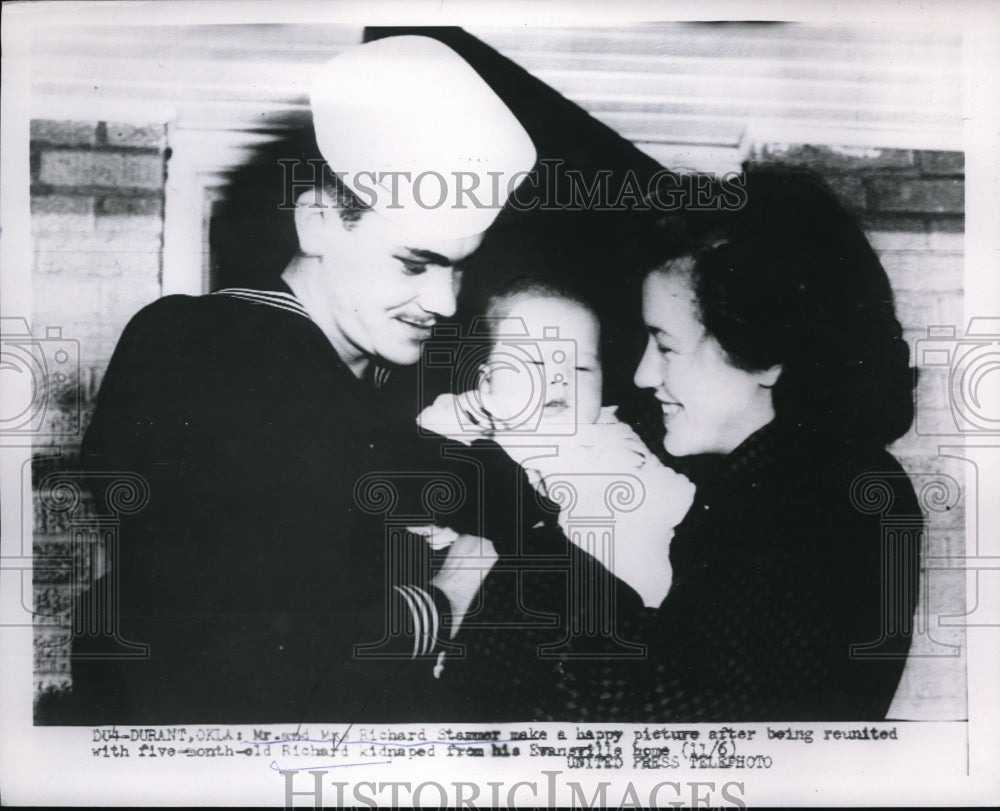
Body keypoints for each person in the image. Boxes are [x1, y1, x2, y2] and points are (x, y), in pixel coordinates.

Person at [66, 35, 536, 724]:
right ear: (316, 219)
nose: (444, 302)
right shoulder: (208, 348)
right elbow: (269, 656)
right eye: (414, 263)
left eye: (459, 268)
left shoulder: (326, 372)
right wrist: (448, 595)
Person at [445, 169, 921, 722]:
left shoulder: (836, 503)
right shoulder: (714, 453)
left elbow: (653, 721)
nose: (644, 374)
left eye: (666, 346)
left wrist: (521, 534)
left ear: (766, 356)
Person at [417, 276, 695, 607]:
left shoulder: (609, 440)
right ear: (487, 381)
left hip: (597, 590)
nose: (559, 380)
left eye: (581, 368)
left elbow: (666, 502)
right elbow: (420, 450)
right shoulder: (466, 417)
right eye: (535, 363)